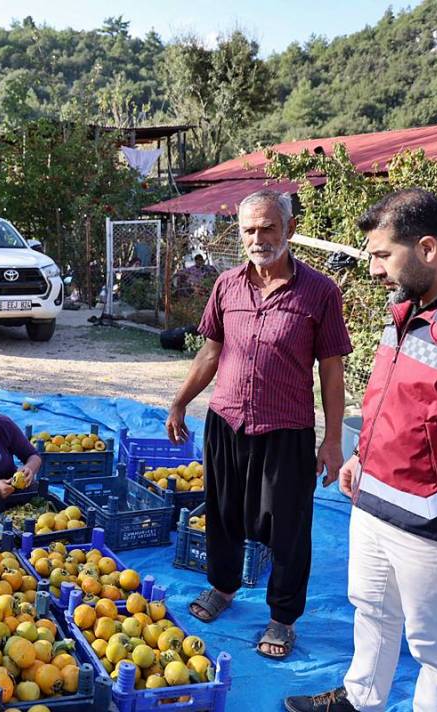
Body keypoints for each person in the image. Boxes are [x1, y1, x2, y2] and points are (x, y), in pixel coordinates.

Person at [285, 189, 437, 712]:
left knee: (436, 648)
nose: (374, 269)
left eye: (381, 255)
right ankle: (360, 698)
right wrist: (360, 456)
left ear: (425, 249)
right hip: (373, 503)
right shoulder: (408, 305)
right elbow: (396, 398)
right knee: (370, 609)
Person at [165, 189, 352, 659]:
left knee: (288, 527)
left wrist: (332, 440)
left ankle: (282, 618)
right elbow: (210, 352)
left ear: (288, 229)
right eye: (249, 229)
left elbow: (331, 371)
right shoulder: (227, 285)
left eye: (268, 227)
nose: (258, 237)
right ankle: (223, 589)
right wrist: (180, 402)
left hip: (285, 429)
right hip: (226, 421)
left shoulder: (320, 292)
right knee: (223, 514)